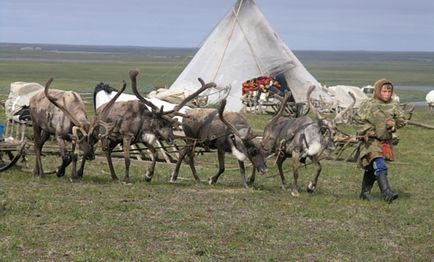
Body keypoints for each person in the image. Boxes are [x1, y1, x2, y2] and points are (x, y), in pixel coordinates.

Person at [354, 79, 407, 203]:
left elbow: (402, 120)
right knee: (380, 165)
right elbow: (356, 119)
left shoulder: (394, 105)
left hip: (385, 141)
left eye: (389, 91)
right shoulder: (369, 104)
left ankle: (364, 193)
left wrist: (393, 125)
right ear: (378, 91)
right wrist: (368, 130)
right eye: (384, 91)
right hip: (371, 142)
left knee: (372, 168)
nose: (387, 94)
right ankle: (387, 193)